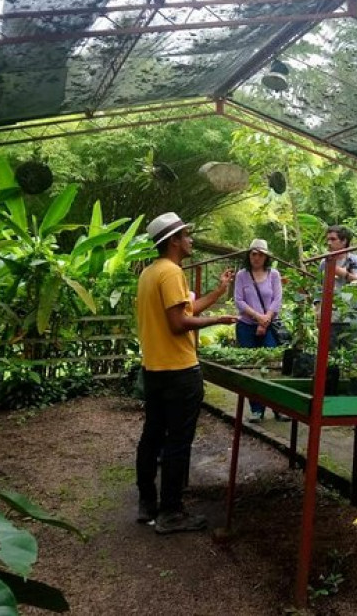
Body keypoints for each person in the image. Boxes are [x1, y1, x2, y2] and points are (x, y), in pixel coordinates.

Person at [135, 212, 237, 534]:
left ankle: (148, 504)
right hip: (179, 372)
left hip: (154, 370)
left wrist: (218, 293)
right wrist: (218, 322)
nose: (192, 240)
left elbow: (185, 310)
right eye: (188, 235)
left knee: (152, 437)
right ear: (175, 241)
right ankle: (171, 513)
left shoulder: (150, 273)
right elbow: (179, 324)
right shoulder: (172, 273)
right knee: (178, 442)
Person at [233, 238, 284, 422]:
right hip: (247, 326)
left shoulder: (274, 275)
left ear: (266, 257)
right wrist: (257, 317)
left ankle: (278, 407)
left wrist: (265, 320)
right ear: (249, 255)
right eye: (253, 254)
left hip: (269, 326)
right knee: (252, 368)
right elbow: (239, 301)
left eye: (260, 254)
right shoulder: (242, 275)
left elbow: (277, 299)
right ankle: (256, 409)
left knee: (272, 366)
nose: (256, 257)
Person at [320, 225, 357, 344]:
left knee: (351, 356)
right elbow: (319, 289)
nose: (329, 243)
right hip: (331, 317)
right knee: (330, 357)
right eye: (328, 239)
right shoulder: (324, 262)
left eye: (333, 239)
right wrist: (318, 311)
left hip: (351, 317)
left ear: (344, 241)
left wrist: (345, 274)